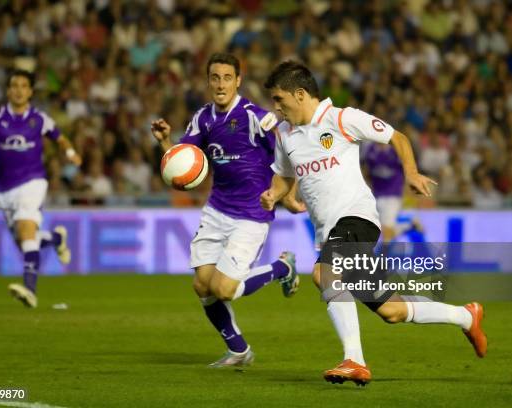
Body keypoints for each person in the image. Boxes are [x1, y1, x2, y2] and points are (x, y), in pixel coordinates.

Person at [260, 61, 487, 385]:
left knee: (325, 274)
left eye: (279, 99)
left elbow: (397, 137)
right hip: (329, 232)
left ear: (300, 94)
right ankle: (466, 316)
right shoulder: (285, 134)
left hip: (357, 218)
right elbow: (284, 176)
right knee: (391, 311)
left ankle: (354, 359)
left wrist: (410, 172)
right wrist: (275, 195)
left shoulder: (341, 118)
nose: (276, 107)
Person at [151, 53, 304, 367]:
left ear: (238, 80)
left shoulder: (256, 116)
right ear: (208, 81)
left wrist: (287, 194)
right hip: (217, 210)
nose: (220, 84)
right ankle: (239, 350)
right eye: (214, 78)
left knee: (224, 289)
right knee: (202, 286)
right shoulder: (203, 118)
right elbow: (184, 164)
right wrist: (166, 142)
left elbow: (292, 151)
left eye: (226, 78)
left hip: (251, 213)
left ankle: (282, 268)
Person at [0, 69, 82, 308]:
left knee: (25, 228)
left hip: (33, 181)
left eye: (24, 85)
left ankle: (30, 289)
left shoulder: (40, 119)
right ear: (8, 90)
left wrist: (71, 153)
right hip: (3, 188)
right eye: (14, 85)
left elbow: (59, 138)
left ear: (31, 91)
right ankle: (55, 238)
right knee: (25, 240)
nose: (19, 90)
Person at [361, 143, 423, 242]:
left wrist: (409, 191)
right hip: (376, 195)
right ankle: (410, 225)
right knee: (383, 230)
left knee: (387, 232)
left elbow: (406, 170)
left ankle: (383, 256)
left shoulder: (396, 150)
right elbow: (366, 171)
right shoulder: (370, 150)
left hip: (392, 195)